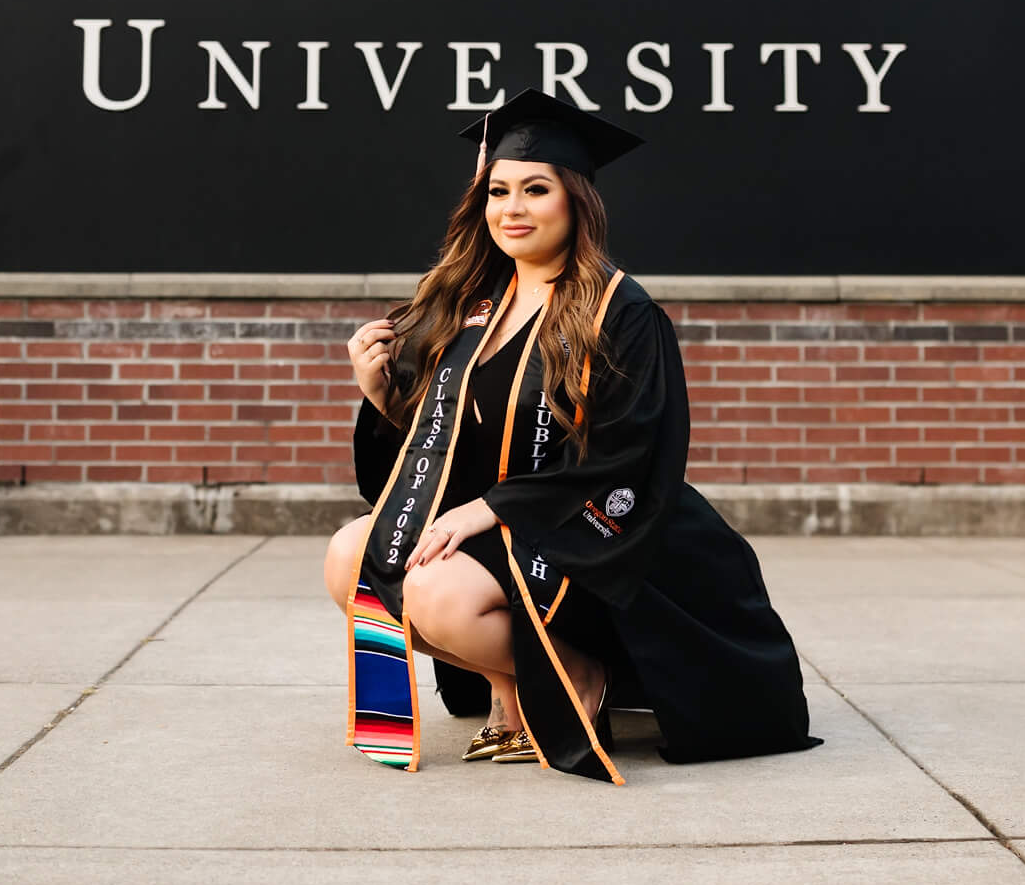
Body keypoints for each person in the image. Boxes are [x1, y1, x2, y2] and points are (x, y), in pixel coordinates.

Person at [323, 88, 819, 782]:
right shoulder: (468, 302)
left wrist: (489, 509)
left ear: (575, 200)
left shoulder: (621, 312)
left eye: (535, 189)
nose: (513, 208)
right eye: (499, 191)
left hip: (580, 530)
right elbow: (447, 450)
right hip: (492, 523)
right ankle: (511, 691)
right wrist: (381, 397)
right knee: (351, 556)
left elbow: (627, 451)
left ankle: (584, 671)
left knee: (433, 595)